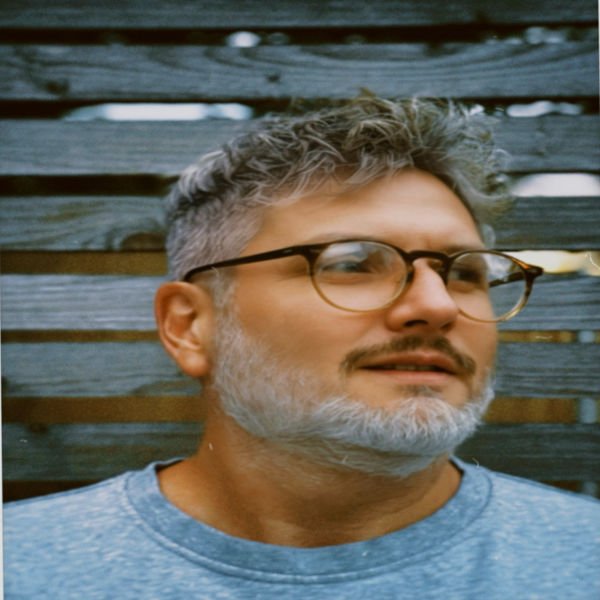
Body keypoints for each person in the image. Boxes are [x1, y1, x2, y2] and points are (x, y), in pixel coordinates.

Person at [4, 97, 599, 599]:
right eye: (352, 263)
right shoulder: (23, 569)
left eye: (465, 273)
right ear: (190, 327)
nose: (438, 305)